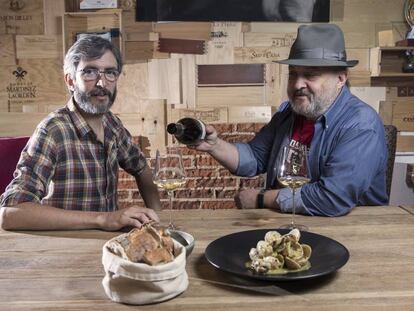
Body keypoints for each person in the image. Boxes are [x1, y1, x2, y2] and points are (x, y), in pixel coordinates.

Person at [191, 24, 388, 216]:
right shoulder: (289, 114)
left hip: (351, 233)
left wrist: (262, 199)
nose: (297, 84)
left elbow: (332, 198)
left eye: (310, 75)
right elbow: (254, 157)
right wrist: (214, 146)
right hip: (287, 225)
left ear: (340, 78)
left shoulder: (361, 125)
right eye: (293, 74)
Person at [0, 35, 161, 230]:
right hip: (66, 248)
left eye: (110, 72)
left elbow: (141, 169)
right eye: (90, 72)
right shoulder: (52, 131)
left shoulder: (112, 124)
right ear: (70, 80)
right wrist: (103, 219)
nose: (102, 83)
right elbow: (10, 214)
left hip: (109, 246)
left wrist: (156, 220)